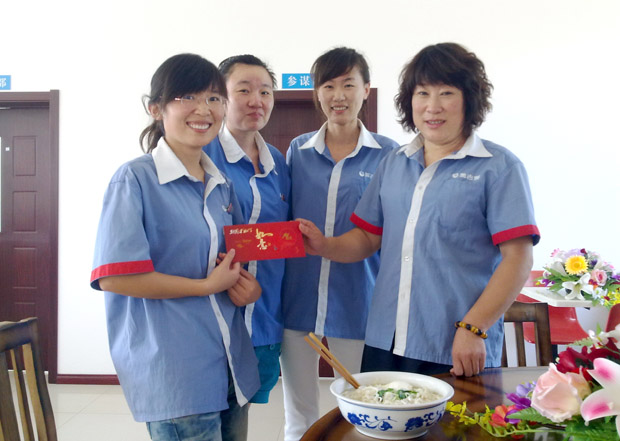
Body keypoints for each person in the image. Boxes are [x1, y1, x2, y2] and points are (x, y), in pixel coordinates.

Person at [298, 42, 540, 378]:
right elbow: (367, 237)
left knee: (455, 417)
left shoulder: (498, 167)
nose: (432, 106)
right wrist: (324, 245)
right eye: (422, 93)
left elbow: (518, 259)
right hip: (384, 339)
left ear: (469, 99)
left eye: (446, 93)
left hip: (454, 343)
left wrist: (474, 327)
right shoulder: (394, 162)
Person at [90, 53, 261, 441]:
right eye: (188, 97)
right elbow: (115, 278)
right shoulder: (134, 180)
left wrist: (246, 289)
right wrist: (205, 286)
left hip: (230, 365)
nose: (204, 109)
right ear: (156, 109)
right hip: (178, 373)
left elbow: (229, 265)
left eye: (214, 98)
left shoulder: (221, 185)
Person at [280, 47, 399, 441]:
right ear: (317, 93)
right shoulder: (297, 151)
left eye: (348, 84)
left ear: (366, 89)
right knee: (299, 415)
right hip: (298, 301)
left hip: (358, 301)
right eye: (328, 86)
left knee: (361, 412)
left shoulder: (389, 155)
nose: (338, 95)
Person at [203, 54, 290, 404]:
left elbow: (277, 239)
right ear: (221, 97)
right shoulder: (202, 154)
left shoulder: (279, 163)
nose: (257, 100)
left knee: (240, 418)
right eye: (244, 90)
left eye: (265, 92)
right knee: (208, 413)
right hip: (211, 319)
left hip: (264, 319)